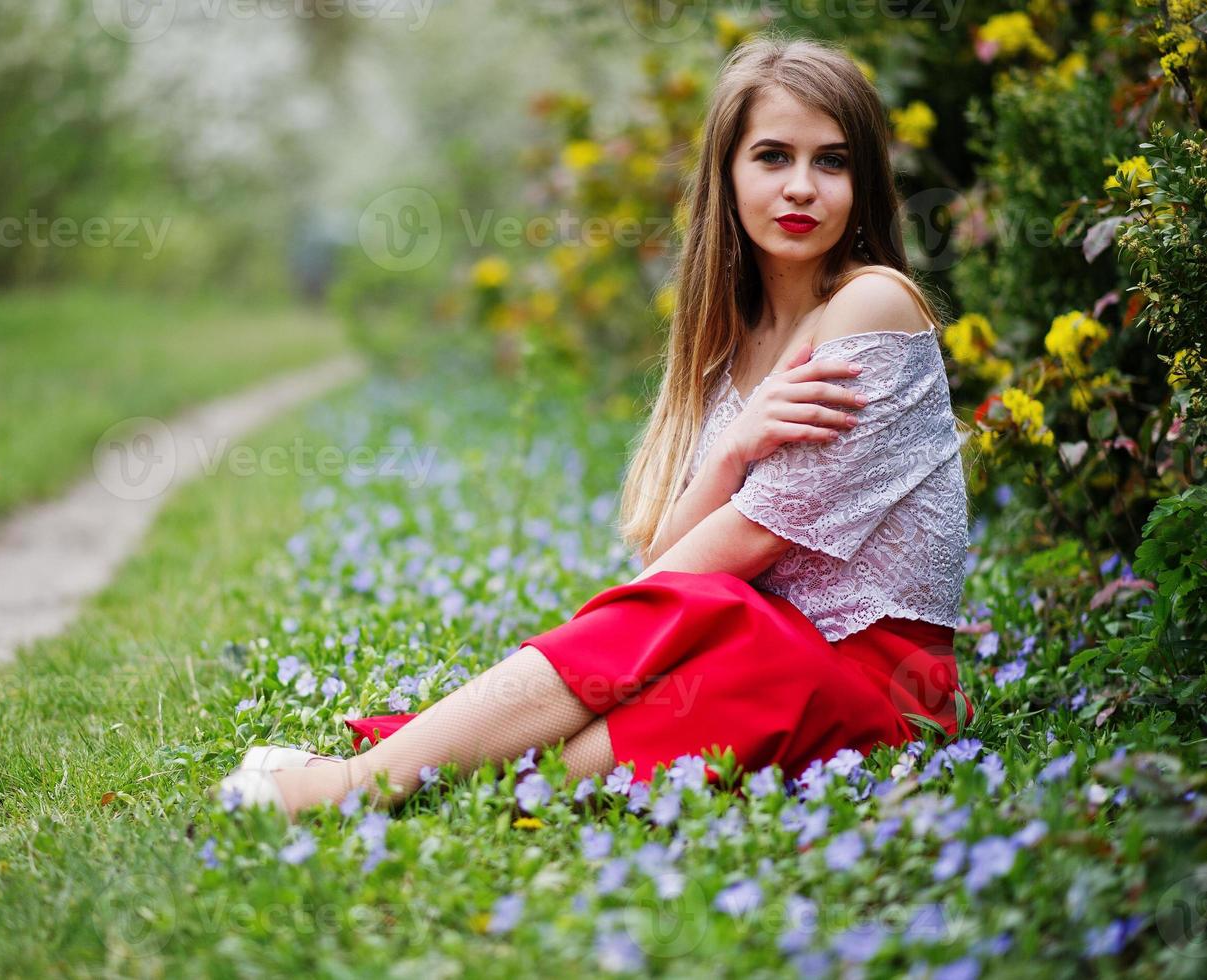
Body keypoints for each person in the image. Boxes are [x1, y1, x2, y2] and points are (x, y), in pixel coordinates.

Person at [220, 31, 974, 822]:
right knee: (565, 739)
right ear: (727, 173)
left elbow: (712, 566)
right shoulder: (729, 349)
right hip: (750, 649)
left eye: (832, 161)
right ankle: (382, 771)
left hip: (875, 695)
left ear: (864, 182)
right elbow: (667, 564)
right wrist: (733, 450)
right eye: (772, 156)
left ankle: (355, 783)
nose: (800, 188)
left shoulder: (870, 306)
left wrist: (618, 639)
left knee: (683, 639)